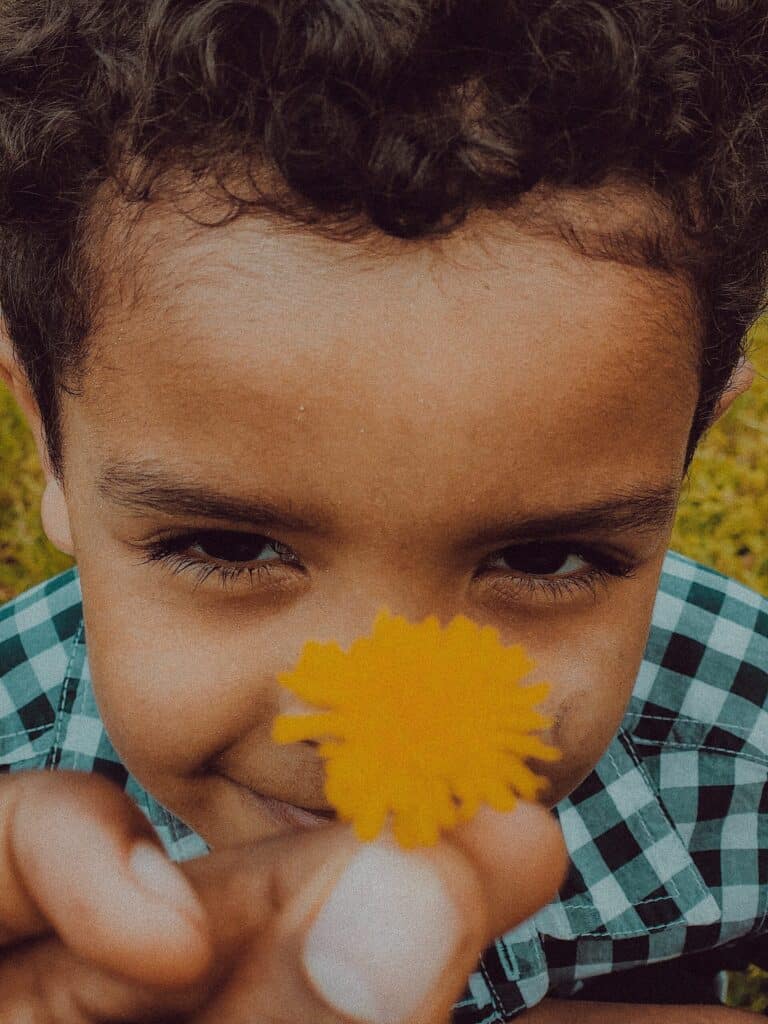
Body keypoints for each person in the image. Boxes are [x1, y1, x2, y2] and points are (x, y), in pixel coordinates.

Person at [0, 0, 765, 1020]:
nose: (364, 728)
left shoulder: (742, 739)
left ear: (689, 445)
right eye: (229, 544)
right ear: (48, 441)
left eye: (543, 559)